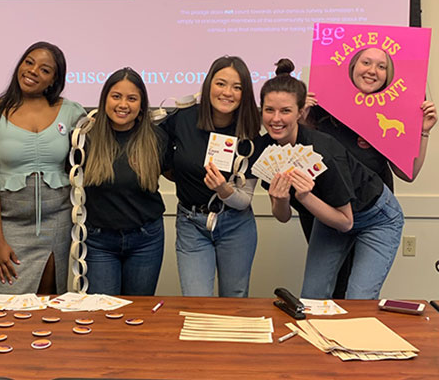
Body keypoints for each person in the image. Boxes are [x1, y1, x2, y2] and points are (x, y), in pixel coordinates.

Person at [253, 58, 405, 299]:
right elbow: (282, 217)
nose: (276, 119)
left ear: (300, 111)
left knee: (358, 299)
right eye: (269, 110)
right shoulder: (264, 151)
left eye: (285, 111)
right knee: (312, 297)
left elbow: (346, 222)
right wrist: (279, 199)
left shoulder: (324, 150)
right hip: (328, 216)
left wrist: (304, 196)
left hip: (377, 216)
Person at [304, 49, 436, 297]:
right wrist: (300, 115)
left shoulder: (392, 113)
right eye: (366, 62)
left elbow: (407, 174)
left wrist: (423, 131)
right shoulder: (320, 109)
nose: (372, 71)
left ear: (388, 76)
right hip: (331, 211)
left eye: (382, 66)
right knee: (314, 295)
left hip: (374, 212)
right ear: (352, 66)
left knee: (359, 298)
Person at [0, 41, 85, 295]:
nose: (33, 71)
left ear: (54, 80)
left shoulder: (71, 112)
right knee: (10, 310)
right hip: (9, 227)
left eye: (45, 70)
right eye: (29, 62)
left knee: (48, 305)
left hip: (56, 225)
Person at [163, 56, 261, 297]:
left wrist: (223, 190)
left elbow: (244, 200)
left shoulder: (250, 130)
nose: (227, 92)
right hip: (191, 224)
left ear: (245, 93)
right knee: (196, 303)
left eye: (237, 87)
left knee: (235, 301)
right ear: (208, 85)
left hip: (236, 224)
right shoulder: (183, 119)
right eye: (221, 83)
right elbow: (160, 160)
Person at [82, 68, 167, 296]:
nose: (123, 104)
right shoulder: (85, 138)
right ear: (105, 99)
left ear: (141, 104)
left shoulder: (156, 138)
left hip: (146, 240)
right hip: (98, 241)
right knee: (102, 315)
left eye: (132, 98)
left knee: (137, 314)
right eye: (116, 96)